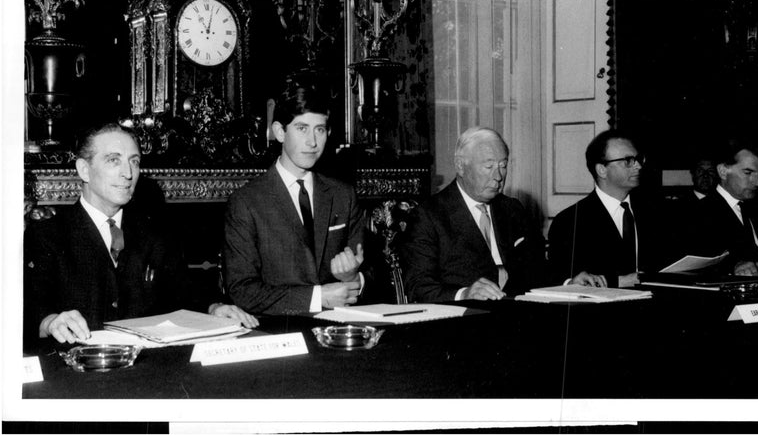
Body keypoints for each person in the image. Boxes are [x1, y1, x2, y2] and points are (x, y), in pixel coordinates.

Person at [23, 122, 256, 345]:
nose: (128, 173)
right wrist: (50, 321)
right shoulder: (46, 235)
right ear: (84, 170)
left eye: (134, 162)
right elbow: (30, 306)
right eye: (114, 160)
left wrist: (214, 307)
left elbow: (184, 290)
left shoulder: (154, 233)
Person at [223, 84, 369, 315]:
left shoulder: (343, 195)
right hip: (279, 334)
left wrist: (352, 278)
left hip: (339, 329)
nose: (312, 142)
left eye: (320, 130)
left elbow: (374, 275)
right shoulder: (246, 202)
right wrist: (318, 297)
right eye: (302, 128)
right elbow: (242, 290)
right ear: (280, 132)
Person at [400, 127, 546, 303]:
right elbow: (418, 286)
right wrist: (464, 294)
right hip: (463, 320)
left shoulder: (512, 209)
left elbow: (537, 267)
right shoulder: (429, 216)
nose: (498, 176)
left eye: (503, 165)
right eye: (489, 166)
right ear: (461, 166)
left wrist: (567, 281)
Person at [547, 129, 666, 288]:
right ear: (602, 170)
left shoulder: (655, 212)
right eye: (628, 161)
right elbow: (564, 279)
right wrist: (617, 282)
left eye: (638, 159)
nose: (638, 166)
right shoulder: (569, 221)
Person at [686, 138, 758, 276]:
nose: (757, 182)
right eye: (748, 173)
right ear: (723, 171)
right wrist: (734, 267)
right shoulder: (698, 213)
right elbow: (695, 265)